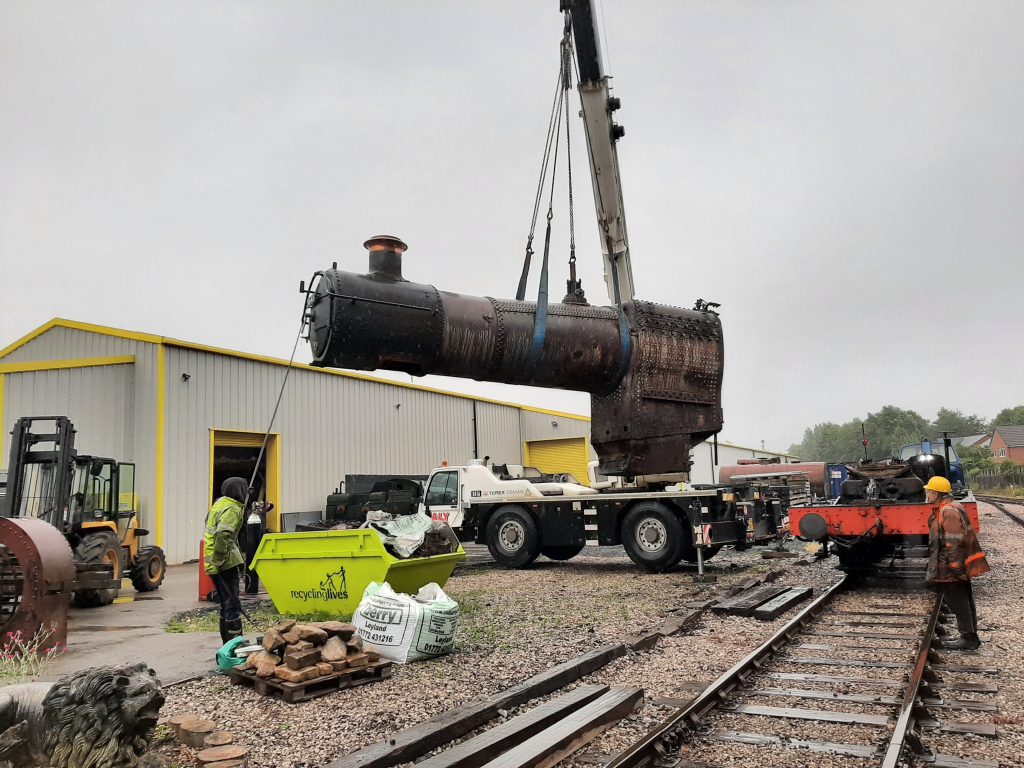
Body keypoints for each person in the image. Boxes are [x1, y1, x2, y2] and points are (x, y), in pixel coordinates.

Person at [924, 476, 989, 650]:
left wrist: (955, 567)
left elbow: (954, 541)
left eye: (929, 492)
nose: (927, 494)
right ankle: (970, 635)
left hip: (951, 566)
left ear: (937, 493)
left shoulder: (948, 511)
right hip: (952, 564)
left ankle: (968, 638)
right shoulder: (948, 507)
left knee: (958, 600)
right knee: (963, 598)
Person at [204, 477, 249, 644]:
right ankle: (235, 646)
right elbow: (223, 534)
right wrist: (219, 559)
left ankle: (228, 646)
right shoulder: (232, 508)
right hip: (224, 564)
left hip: (215, 563)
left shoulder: (220, 503)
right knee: (232, 605)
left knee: (225, 605)